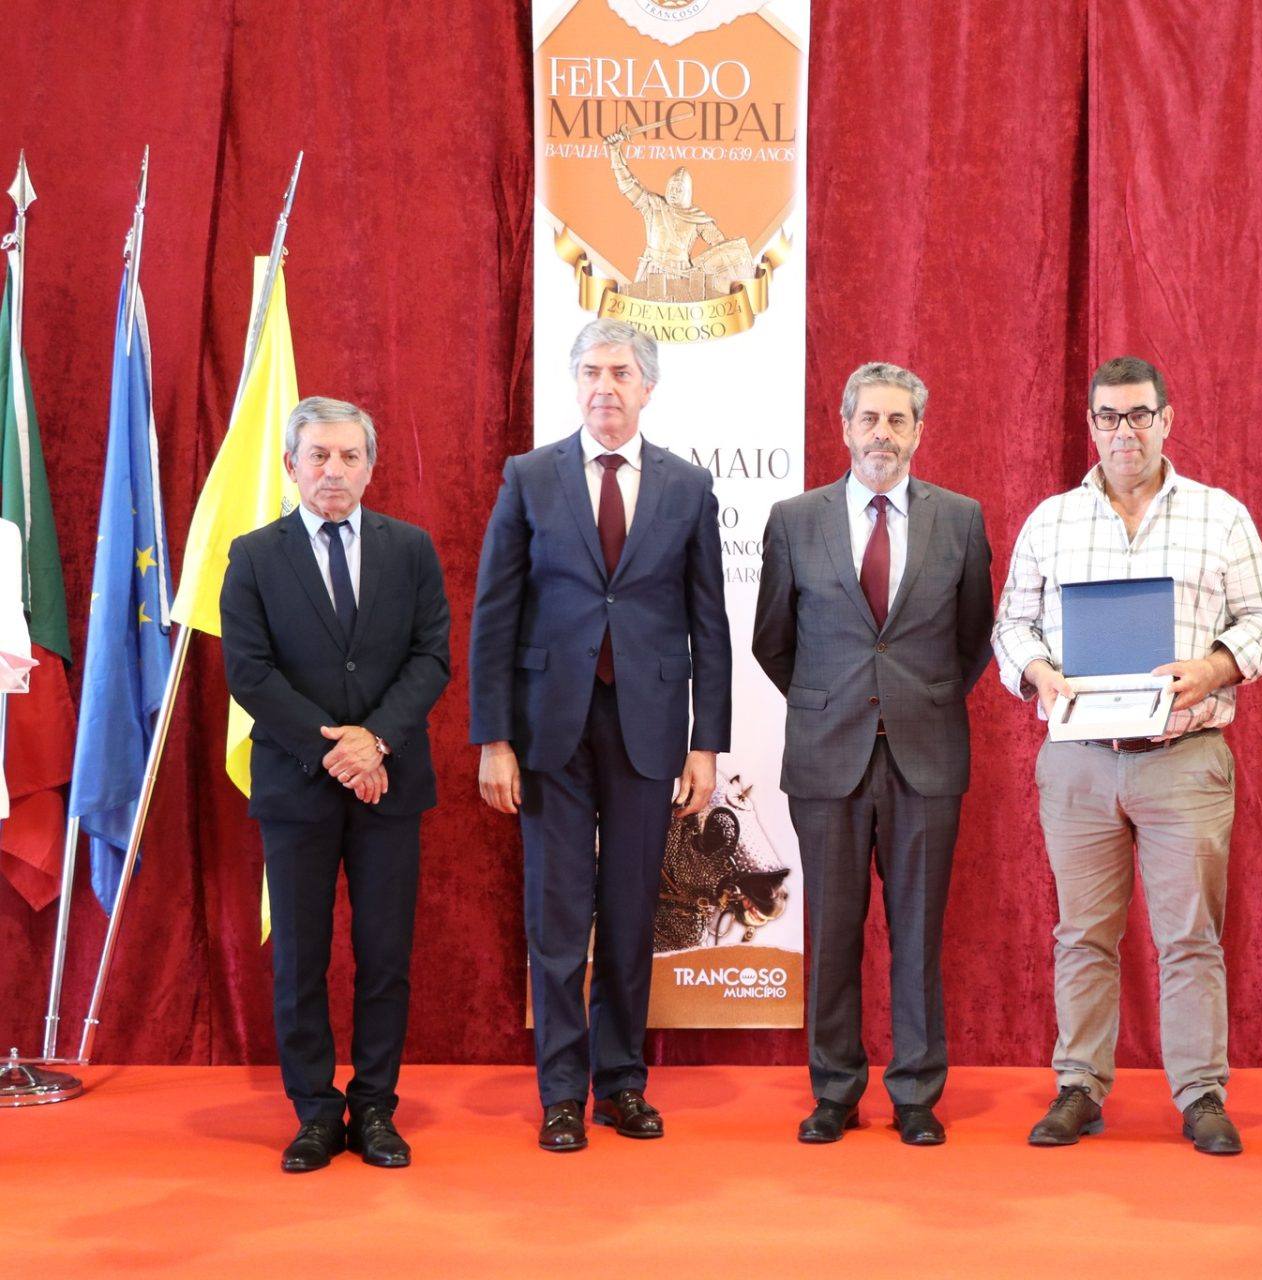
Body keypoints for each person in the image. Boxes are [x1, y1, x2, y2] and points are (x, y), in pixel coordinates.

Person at [993, 355, 1262, 1156]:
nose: (1126, 431)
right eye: (1110, 417)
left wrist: (1215, 668)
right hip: (1079, 761)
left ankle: (1201, 1093)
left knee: (1190, 935)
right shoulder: (1051, 521)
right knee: (1082, 933)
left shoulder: (1221, 516)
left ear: (1167, 420)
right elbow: (1011, 623)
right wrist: (1037, 670)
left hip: (1184, 756)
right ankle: (1079, 1086)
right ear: (1091, 426)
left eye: (1140, 415)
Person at [469, 318, 730, 1151]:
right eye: (590, 371)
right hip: (548, 728)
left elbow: (709, 623)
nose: (604, 387)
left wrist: (706, 743)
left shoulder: (687, 486)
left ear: (647, 387)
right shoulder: (529, 476)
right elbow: (495, 613)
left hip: (647, 729)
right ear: (574, 383)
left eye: (620, 372)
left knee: (628, 915)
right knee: (556, 916)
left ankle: (621, 1084)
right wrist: (493, 738)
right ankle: (559, 1094)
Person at [752, 362, 994, 1146]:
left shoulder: (961, 519)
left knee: (919, 932)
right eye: (870, 419)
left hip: (927, 752)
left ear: (919, 430)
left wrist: (915, 698)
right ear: (845, 426)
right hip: (827, 757)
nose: (882, 434)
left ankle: (916, 1093)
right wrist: (835, 701)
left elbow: (974, 639)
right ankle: (835, 1090)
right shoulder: (795, 520)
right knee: (833, 930)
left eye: (897, 420)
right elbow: (772, 642)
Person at [220, 396, 451, 1173]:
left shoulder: (410, 549)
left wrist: (374, 741)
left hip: (391, 783)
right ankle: (316, 1112)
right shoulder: (254, 556)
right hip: (298, 786)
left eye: (350, 456)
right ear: (291, 465)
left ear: (370, 467)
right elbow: (249, 672)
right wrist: (338, 752)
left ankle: (375, 1107)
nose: (334, 470)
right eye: (318, 455)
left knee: (386, 956)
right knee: (301, 957)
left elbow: (432, 657)